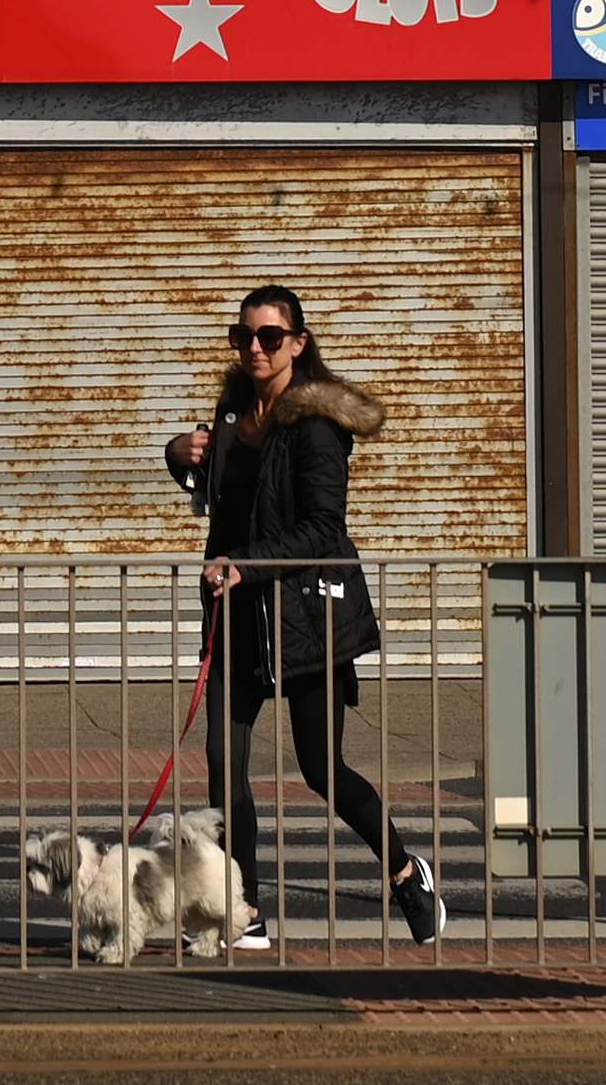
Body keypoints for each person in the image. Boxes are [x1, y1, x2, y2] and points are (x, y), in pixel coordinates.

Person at [165, 281, 441, 947]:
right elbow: (223, 503)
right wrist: (178, 459)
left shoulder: (316, 426)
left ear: (298, 344)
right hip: (239, 617)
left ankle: (406, 871)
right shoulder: (233, 413)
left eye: (269, 337)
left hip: (305, 622)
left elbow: (322, 527)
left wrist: (247, 563)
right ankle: (246, 911)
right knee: (225, 767)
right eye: (244, 336)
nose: (254, 349)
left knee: (321, 770)